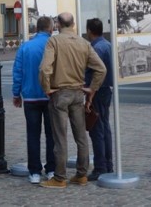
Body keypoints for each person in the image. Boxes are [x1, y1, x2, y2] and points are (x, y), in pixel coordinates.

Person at [38, 12, 106, 188]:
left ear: (59, 24)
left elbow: (45, 68)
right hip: (78, 93)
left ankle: (60, 178)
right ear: (73, 24)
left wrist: (46, 88)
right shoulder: (84, 43)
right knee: (81, 137)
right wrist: (92, 88)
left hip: (60, 93)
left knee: (60, 138)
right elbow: (101, 69)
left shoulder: (54, 41)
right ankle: (81, 175)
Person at [12, 16, 56, 184]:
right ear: (50, 29)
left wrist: (16, 94)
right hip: (50, 95)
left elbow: (18, 72)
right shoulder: (53, 45)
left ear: (36, 28)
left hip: (30, 97)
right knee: (52, 135)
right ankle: (51, 169)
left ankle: (35, 172)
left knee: (33, 134)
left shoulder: (25, 47)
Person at [85, 18, 114, 181]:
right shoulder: (108, 45)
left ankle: (100, 167)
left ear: (89, 30)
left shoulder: (96, 48)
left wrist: (89, 94)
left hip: (97, 91)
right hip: (106, 90)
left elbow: (95, 73)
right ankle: (108, 164)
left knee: (97, 130)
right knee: (105, 128)